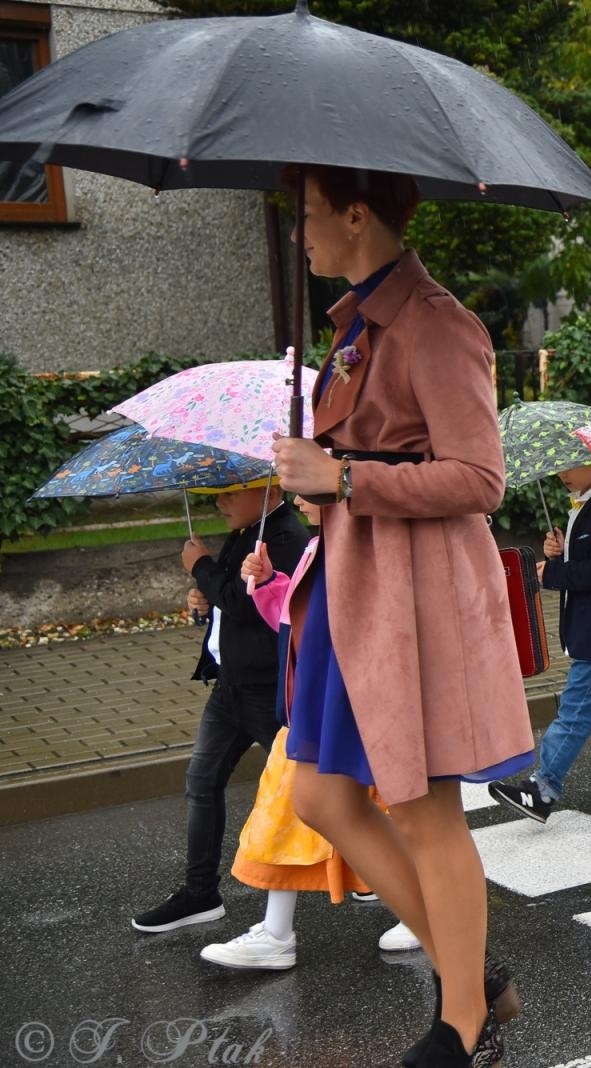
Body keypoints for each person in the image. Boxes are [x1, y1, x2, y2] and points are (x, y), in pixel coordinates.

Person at [270, 164, 533, 1068]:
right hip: (354, 585)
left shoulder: (434, 324)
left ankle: (464, 1022)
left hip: (413, 595)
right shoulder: (354, 325)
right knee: (319, 793)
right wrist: (322, 485)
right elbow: (369, 454)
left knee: (424, 811)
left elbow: (479, 479)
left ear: (355, 214)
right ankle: (475, 974)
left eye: (306, 215)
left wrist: (342, 478)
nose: (298, 233)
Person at [200, 495, 418, 969]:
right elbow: (295, 621)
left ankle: (419, 912)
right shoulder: (318, 547)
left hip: (348, 713)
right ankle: (277, 931)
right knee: (287, 813)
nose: (297, 497)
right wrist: (269, 585)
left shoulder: (354, 548)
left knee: (390, 814)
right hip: (312, 713)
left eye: (306, 485)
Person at [131, 478, 308, 934]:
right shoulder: (245, 535)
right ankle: (200, 893)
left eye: (230, 493)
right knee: (202, 780)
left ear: (267, 492)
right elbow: (228, 600)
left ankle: (378, 875)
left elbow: (248, 602)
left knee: (316, 788)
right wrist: (205, 603)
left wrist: (200, 566)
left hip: (269, 692)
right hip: (231, 688)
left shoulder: (286, 537)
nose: (221, 503)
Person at [488, 460, 591, 822]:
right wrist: (560, 554)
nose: (562, 472)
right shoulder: (588, 502)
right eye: (559, 465)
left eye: (572, 464)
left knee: (575, 710)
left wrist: (557, 571)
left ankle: (543, 788)